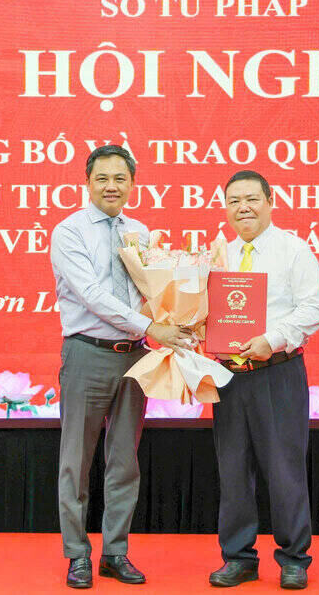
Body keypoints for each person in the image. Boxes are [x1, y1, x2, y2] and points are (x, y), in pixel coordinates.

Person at [50, 145, 193, 589]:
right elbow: (92, 295)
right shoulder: (68, 232)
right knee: (76, 460)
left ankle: (115, 552)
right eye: (102, 178)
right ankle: (77, 556)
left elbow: (154, 288)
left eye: (120, 178)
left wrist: (183, 315)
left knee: (124, 461)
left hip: (134, 355)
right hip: (87, 353)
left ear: (132, 183)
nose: (111, 186)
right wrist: (153, 325)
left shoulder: (141, 232)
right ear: (87, 182)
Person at [209, 170, 319, 590]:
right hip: (228, 376)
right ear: (225, 208)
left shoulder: (294, 251)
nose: (243, 207)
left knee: (284, 470)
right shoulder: (218, 254)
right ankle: (239, 557)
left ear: (270, 201)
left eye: (252, 199)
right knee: (233, 471)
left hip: (277, 372)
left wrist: (272, 339)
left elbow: (314, 308)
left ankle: (294, 557)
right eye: (234, 200)